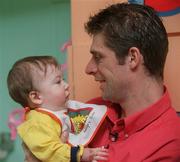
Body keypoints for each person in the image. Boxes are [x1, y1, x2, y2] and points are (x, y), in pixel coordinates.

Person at [23, 3, 180, 162]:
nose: (88, 69)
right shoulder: (89, 110)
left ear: (132, 58)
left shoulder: (169, 144)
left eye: (98, 57)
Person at [7, 56, 108, 162]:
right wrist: (81, 154)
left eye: (63, 79)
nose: (67, 85)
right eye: (58, 82)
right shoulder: (37, 124)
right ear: (36, 97)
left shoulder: (58, 112)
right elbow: (51, 151)